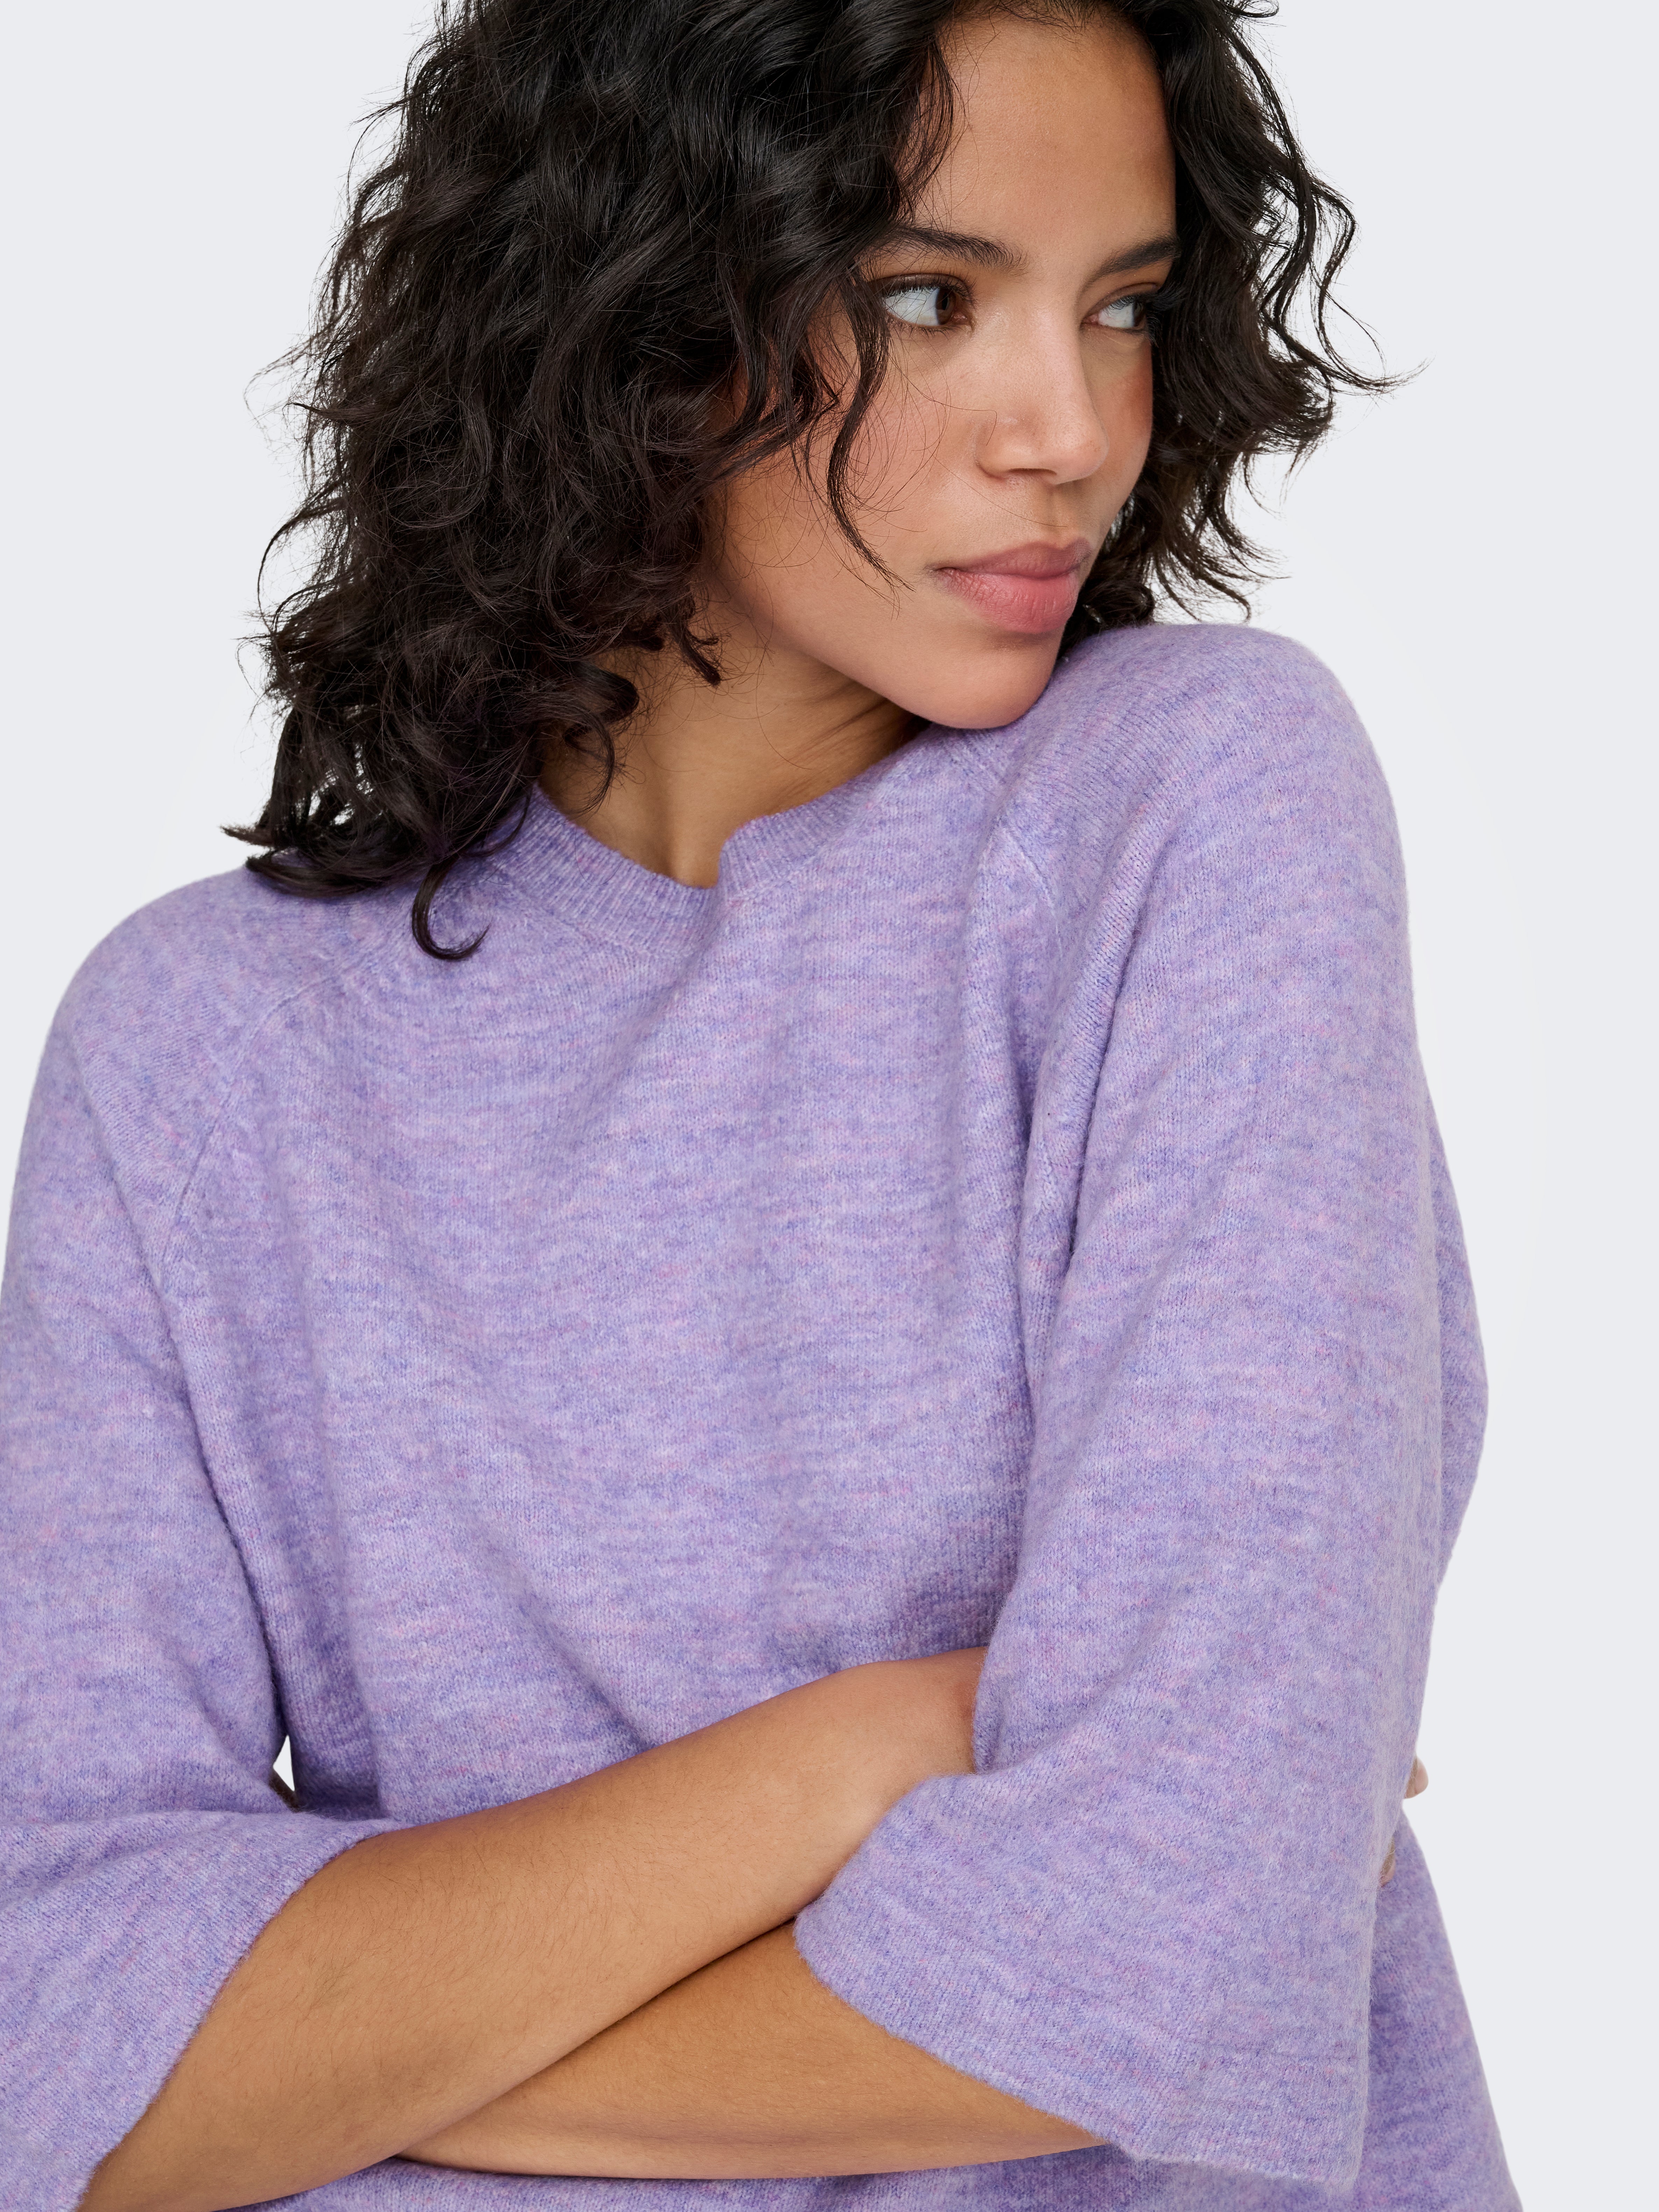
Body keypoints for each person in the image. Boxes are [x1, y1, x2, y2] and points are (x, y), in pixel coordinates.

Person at [0, 1, 1520, 2206]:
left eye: (1122, 307)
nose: (1072, 431)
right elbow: (41, 2027)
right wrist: (869, 1750)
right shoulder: (198, 1053)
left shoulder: (1193, 810)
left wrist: (285, 2058)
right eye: (928, 299)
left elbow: (1165, 1953)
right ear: (635, 312)